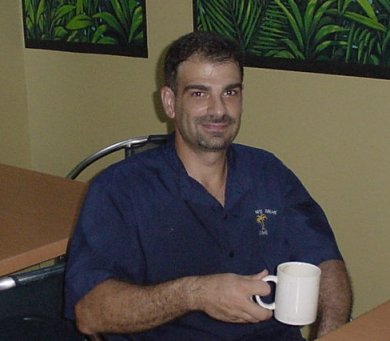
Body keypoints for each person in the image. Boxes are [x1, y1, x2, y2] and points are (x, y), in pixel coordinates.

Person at [64, 31, 352, 340]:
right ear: (170, 102)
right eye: (199, 94)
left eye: (230, 92)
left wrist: (330, 334)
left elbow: (326, 263)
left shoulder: (269, 173)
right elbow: (90, 312)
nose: (218, 110)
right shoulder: (120, 189)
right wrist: (196, 294)